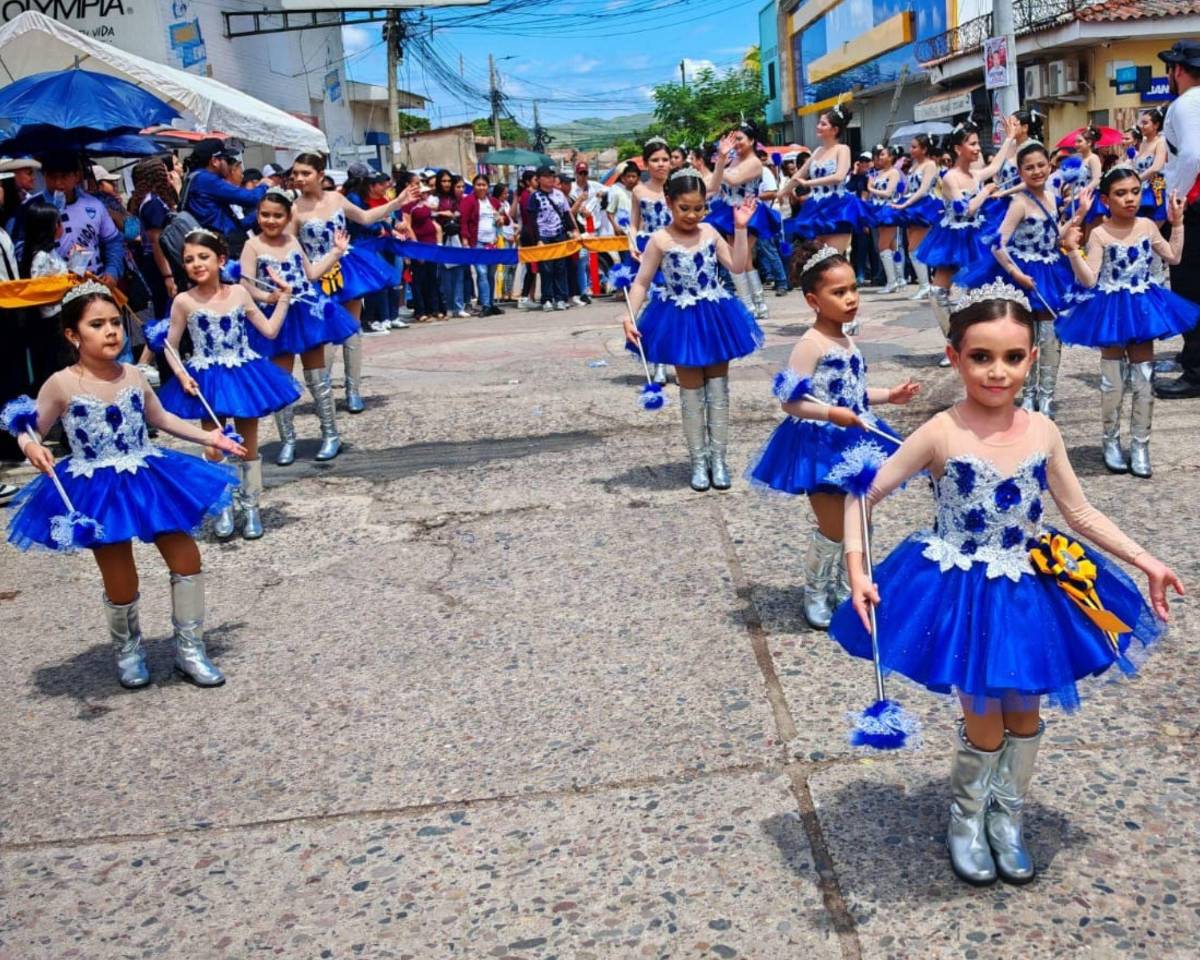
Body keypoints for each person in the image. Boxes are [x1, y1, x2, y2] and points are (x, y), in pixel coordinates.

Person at [828, 285, 1182, 887]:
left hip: (1030, 588)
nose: (998, 371)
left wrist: (1146, 560)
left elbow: (1079, 512)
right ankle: (967, 819)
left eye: (1013, 357)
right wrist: (858, 569)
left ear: (1032, 358)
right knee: (986, 714)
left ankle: (1006, 818)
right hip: (962, 590)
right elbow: (863, 493)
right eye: (981, 357)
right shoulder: (940, 431)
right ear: (954, 356)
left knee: (1026, 712)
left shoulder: (1042, 429)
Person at [4, 282, 247, 688]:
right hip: (95, 485)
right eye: (96, 325)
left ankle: (190, 649)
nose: (112, 331)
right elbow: (31, 428)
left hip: (149, 475)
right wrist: (30, 445)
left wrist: (211, 438)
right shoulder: (61, 383)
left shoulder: (134, 374)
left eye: (115, 322)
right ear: (72, 334)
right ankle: (128, 650)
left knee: (185, 555)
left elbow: (161, 418)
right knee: (120, 574)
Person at [746, 243, 917, 627]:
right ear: (813, 300)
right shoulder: (811, 343)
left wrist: (889, 395)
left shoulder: (845, 338)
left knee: (859, 521)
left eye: (853, 289)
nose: (851, 298)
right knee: (833, 527)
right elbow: (790, 401)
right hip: (819, 446)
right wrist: (829, 413)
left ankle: (844, 584)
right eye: (838, 293)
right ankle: (816, 589)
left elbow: (853, 391)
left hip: (856, 438)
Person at [155, 230, 301, 540]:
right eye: (189, 259)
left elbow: (270, 331)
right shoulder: (183, 301)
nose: (196, 264)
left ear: (221, 259)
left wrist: (284, 297)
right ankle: (223, 507)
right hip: (207, 379)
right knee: (214, 444)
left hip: (244, 375)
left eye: (203, 257)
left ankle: (250, 508)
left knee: (248, 444)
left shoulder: (239, 293)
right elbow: (170, 346)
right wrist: (181, 375)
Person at [621, 172, 761, 492]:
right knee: (691, 392)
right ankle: (698, 460)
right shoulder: (660, 239)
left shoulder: (710, 232)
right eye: (684, 208)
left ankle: (719, 459)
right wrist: (628, 315)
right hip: (679, 320)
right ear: (669, 203)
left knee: (718, 390)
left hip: (715, 316)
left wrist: (740, 228)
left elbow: (737, 266)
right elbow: (642, 281)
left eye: (699, 208)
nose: (692, 215)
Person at [1057, 173, 1192, 477]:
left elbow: (1174, 257)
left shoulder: (1146, 226)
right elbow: (1089, 279)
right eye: (1120, 193)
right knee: (1113, 382)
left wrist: (1177, 222)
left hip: (1143, 308)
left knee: (1145, 379)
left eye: (1134, 191)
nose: (1129, 198)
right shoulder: (1100, 234)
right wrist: (1071, 251)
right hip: (1110, 310)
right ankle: (1111, 442)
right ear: (1106, 200)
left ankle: (1141, 445)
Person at [289, 153, 416, 412]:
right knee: (322, 335)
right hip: (315, 273)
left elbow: (366, 218)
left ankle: (353, 391)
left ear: (320, 175)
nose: (299, 179)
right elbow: (289, 246)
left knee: (351, 330)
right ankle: (323, 394)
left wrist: (397, 203)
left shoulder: (336, 198)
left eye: (305, 173)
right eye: (296, 174)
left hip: (346, 269)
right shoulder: (294, 209)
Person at [956, 142, 1074, 417]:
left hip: (1050, 272)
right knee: (1025, 337)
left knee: (1050, 337)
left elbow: (1054, 237)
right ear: (1020, 171)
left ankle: (1046, 396)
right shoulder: (1019, 203)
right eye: (1029, 167)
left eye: (1041, 165)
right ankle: (1029, 394)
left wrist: (1075, 220)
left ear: (1049, 166)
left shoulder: (1053, 197)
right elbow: (998, 244)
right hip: (1021, 274)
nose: (1036, 172)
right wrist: (1015, 273)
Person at [241, 189, 357, 464]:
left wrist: (335, 253)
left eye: (277, 215)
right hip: (277, 316)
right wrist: (267, 297)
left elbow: (311, 274)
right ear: (257, 215)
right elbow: (246, 284)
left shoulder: (293, 240)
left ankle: (330, 434)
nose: (270, 220)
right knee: (282, 382)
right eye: (265, 215)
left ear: (288, 216)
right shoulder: (252, 245)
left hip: (306, 312)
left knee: (318, 377)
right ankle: (288, 440)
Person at [916, 118, 1017, 363]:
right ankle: (952, 341)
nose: (977, 149)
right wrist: (985, 191)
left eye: (977, 144)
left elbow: (995, 168)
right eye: (972, 144)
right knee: (938, 291)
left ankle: (973, 342)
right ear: (958, 148)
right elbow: (966, 210)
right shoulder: (950, 177)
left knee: (975, 289)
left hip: (975, 235)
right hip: (953, 236)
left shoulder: (975, 173)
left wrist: (1010, 137)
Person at [1154, 39, 1200, 400]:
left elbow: (1192, 155)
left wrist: (1177, 199)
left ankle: (1196, 371)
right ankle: (1190, 357)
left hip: (1195, 205)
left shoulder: (1185, 104)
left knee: (1189, 289)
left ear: (1179, 70)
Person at [704, 123, 781, 320]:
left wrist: (720, 161)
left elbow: (732, 180)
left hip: (749, 211)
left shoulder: (755, 162)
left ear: (752, 140)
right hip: (730, 211)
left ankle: (755, 303)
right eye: (734, 139)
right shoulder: (733, 159)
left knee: (743, 260)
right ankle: (752, 303)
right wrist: (720, 162)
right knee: (735, 259)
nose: (736, 143)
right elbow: (715, 183)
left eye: (740, 139)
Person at [784, 105, 872, 259]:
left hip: (836, 206)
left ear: (835, 130)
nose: (818, 126)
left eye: (823, 124)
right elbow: (799, 174)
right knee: (818, 260)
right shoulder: (817, 151)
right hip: (817, 207)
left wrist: (809, 184)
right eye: (819, 123)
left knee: (831, 259)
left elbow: (839, 176)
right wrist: (781, 192)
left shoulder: (842, 149)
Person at [26, 152, 124, 284]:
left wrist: (112, 271)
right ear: (44, 175)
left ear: (76, 176)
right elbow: (22, 252)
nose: (58, 183)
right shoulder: (32, 208)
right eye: (52, 177)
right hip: (55, 292)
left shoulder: (95, 205)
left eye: (64, 176)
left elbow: (113, 241)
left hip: (96, 286)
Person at [183, 140, 267, 257]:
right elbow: (251, 198)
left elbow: (235, 224)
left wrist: (261, 213)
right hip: (224, 244)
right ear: (215, 161)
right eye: (225, 160)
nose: (227, 164)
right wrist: (264, 186)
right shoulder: (206, 179)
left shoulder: (195, 177)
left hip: (218, 240)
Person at [892, 135, 943, 300]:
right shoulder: (914, 165)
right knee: (912, 248)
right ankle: (925, 284)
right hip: (913, 205)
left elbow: (923, 189)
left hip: (924, 206)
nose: (911, 150)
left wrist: (905, 204)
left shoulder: (930, 165)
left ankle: (926, 285)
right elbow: (908, 188)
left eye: (914, 147)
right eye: (911, 147)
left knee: (914, 248)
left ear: (924, 149)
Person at [525, 164, 579, 311]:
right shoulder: (534, 197)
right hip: (544, 235)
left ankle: (560, 298)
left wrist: (573, 230)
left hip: (559, 234)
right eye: (547, 176)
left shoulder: (559, 194)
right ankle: (547, 298)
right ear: (539, 179)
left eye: (552, 176)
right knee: (546, 268)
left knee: (561, 267)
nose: (550, 179)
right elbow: (532, 221)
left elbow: (566, 214)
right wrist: (538, 240)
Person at [398, 173, 442, 323]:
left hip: (431, 244)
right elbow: (408, 227)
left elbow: (433, 222)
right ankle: (420, 311)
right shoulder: (406, 205)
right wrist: (417, 249)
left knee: (432, 278)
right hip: (419, 245)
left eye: (420, 184)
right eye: (416, 183)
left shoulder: (423, 202)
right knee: (418, 280)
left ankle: (434, 309)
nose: (419, 186)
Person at [461, 173, 506, 317]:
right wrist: (466, 241)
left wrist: (501, 219)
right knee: (482, 273)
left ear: (488, 187)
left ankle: (491, 303)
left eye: (484, 185)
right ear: (474, 186)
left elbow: (506, 218)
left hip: (492, 242)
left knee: (491, 274)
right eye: (478, 185)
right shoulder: (468, 201)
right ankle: (485, 304)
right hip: (477, 243)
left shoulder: (493, 202)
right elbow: (464, 222)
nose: (481, 187)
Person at [867, 145, 907, 293]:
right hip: (878, 210)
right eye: (879, 155)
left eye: (883, 154)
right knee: (891, 245)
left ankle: (893, 281)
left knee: (884, 245)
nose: (880, 157)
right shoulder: (878, 173)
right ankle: (897, 278)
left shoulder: (894, 172)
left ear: (891, 157)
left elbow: (888, 192)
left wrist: (871, 188)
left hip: (889, 209)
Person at [1134, 109, 1168, 221]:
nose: (1142, 126)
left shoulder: (1161, 142)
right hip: (1140, 189)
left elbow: (1156, 167)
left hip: (1155, 189)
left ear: (1156, 125)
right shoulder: (1143, 143)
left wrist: (1137, 179)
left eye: (1145, 123)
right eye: (1141, 123)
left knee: (1153, 230)